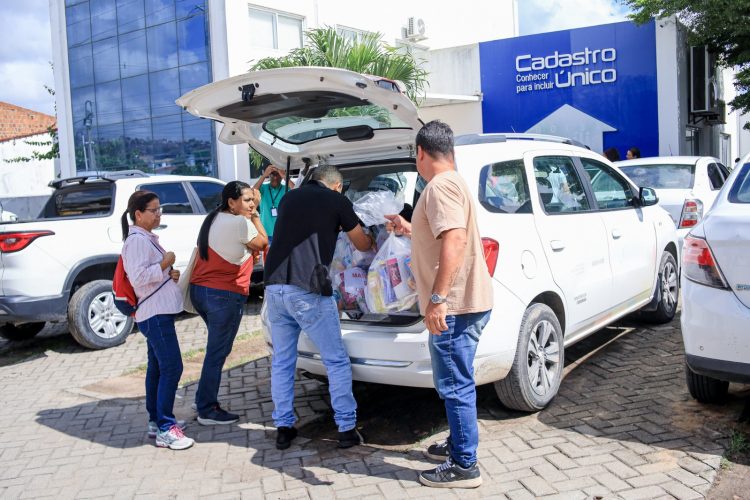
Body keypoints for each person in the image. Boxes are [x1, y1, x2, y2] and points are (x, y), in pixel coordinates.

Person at [385, 120, 493, 489]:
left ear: (420, 152)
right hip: (464, 303)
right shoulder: (454, 181)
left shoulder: (439, 187)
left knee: (454, 384)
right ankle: (459, 443)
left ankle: (464, 465)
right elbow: (441, 234)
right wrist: (408, 228)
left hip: (454, 307)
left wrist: (437, 299)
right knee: (458, 380)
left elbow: (455, 240)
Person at [264, 165, 375, 450]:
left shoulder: (289, 198)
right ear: (337, 185)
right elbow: (361, 244)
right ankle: (346, 429)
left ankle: (283, 428)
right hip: (307, 288)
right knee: (335, 360)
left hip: (274, 286)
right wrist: (374, 238)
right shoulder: (336, 200)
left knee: (282, 361)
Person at [120, 190, 194, 450]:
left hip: (157, 312)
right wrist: (165, 263)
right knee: (172, 367)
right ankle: (165, 427)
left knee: (158, 368)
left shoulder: (144, 238)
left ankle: (156, 421)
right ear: (138, 214)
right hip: (154, 314)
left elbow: (148, 275)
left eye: (159, 209)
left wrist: (168, 273)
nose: (159, 214)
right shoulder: (137, 241)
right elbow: (138, 278)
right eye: (154, 210)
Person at [190, 181, 268, 425]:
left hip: (200, 292)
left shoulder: (213, 218)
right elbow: (263, 242)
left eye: (253, 199)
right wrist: (256, 216)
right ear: (231, 202)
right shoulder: (239, 223)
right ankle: (207, 409)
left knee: (217, 350)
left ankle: (202, 398)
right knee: (217, 352)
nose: (252, 204)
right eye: (247, 200)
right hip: (223, 296)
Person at [253, 165, 294, 245]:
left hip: (281, 232)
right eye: (273, 174)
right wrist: (264, 176)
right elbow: (253, 191)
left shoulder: (285, 188)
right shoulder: (264, 188)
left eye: (278, 174)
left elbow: (298, 190)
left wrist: (285, 176)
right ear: (269, 175)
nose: (275, 177)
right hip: (265, 232)